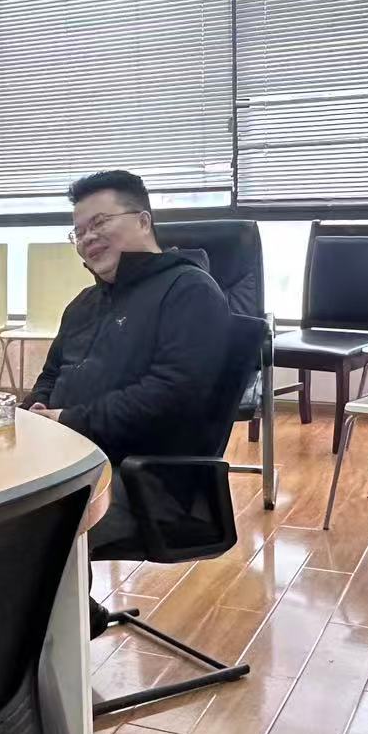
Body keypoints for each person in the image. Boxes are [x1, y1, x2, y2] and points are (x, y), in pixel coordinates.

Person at [28, 170, 231, 555]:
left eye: (99, 222)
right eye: (79, 232)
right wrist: (32, 414)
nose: (87, 238)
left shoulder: (189, 291)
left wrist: (67, 420)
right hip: (69, 459)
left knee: (10, 528)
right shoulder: (83, 304)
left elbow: (172, 396)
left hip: (144, 480)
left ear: (143, 221)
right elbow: (51, 375)